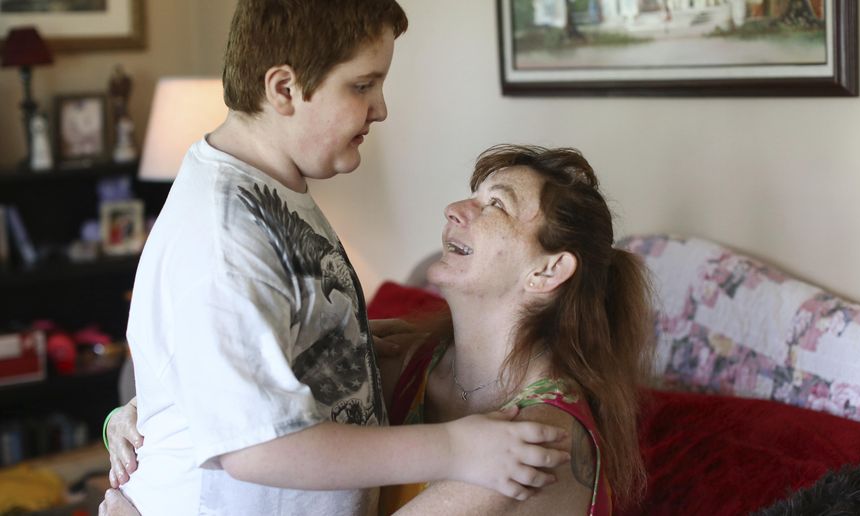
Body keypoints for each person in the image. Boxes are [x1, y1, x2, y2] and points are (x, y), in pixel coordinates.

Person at [109, 1, 572, 514]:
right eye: (362, 85)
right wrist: (457, 448)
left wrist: (345, 338)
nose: (380, 108)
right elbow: (256, 448)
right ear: (284, 89)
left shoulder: (273, 190)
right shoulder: (226, 240)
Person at [106, 144, 654, 515]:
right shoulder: (406, 358)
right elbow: (244, 393)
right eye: (473, 192)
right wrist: (138, 423)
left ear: (548, 270)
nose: (457, 209)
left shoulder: (540, 441)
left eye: (496, 205)